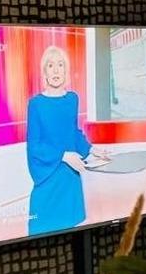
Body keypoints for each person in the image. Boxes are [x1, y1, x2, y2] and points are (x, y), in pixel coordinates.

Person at [25, 45, 106, 236]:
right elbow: (34, 146)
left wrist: (92, 149)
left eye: (60, 65)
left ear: (66, 71)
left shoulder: (72, 99)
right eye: (50, 65)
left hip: (70, 177)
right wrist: (63, 156)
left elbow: (73, 132)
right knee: (42, 233)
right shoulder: (36, 104)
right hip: (49, 175)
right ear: (44, 72)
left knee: (72, 234)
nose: (55, 70)